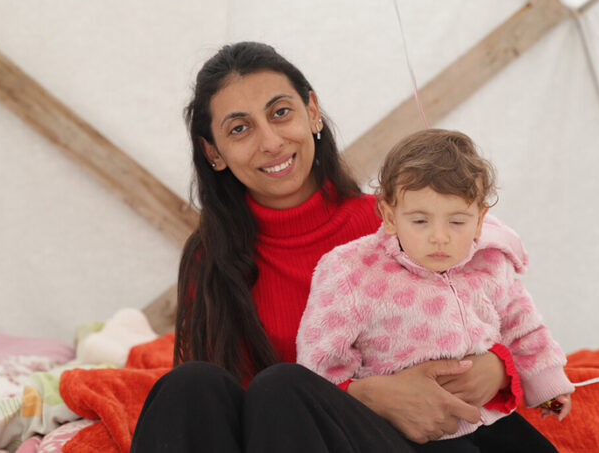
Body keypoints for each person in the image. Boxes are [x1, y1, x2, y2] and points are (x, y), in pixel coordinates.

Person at [130, 42, 521, 452]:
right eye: (239, 128)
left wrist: (497, 368)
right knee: (190, 385)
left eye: (280, 113)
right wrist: (362, 393)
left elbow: (500, 308)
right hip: (283, 437)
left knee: (282, 386)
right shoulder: (210, 256)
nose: (270, 142)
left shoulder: (399, 224)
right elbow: (227, 412)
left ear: (311, 111)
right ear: (214, 152)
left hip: (414, 441)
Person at [297, 129, 574, 452]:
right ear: (389, 215)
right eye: (420, 221)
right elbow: (322, 360)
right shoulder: (351, 271)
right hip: (411, 430)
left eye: (456, 222)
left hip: (489, 415)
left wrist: (548, 388)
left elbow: (523, 326)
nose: (439, 237)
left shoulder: (489, 261)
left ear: (480, 219)